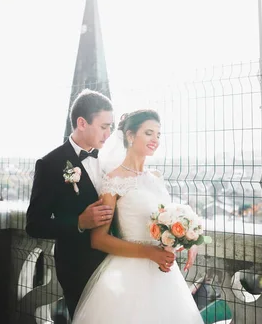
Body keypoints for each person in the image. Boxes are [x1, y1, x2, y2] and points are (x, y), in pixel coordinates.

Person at [72, 109, 204, 324]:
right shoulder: (113, 181)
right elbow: (98, 239)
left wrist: (189, 241)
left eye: (159, 135)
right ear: (130, 136)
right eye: (149, 133)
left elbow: (167, 225)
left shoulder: (157, 178)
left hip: (164, 274)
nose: (155, 140)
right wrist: (149, 252)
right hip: (128, 274)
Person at [25, 89, 116, 319]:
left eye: (111, 127)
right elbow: (34, 224)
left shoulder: (111, 160)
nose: (108, 133)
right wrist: (79, 222)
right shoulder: (50, 164)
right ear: (82, 123)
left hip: (115, 262)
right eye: (104, 126)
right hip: (78, 268)